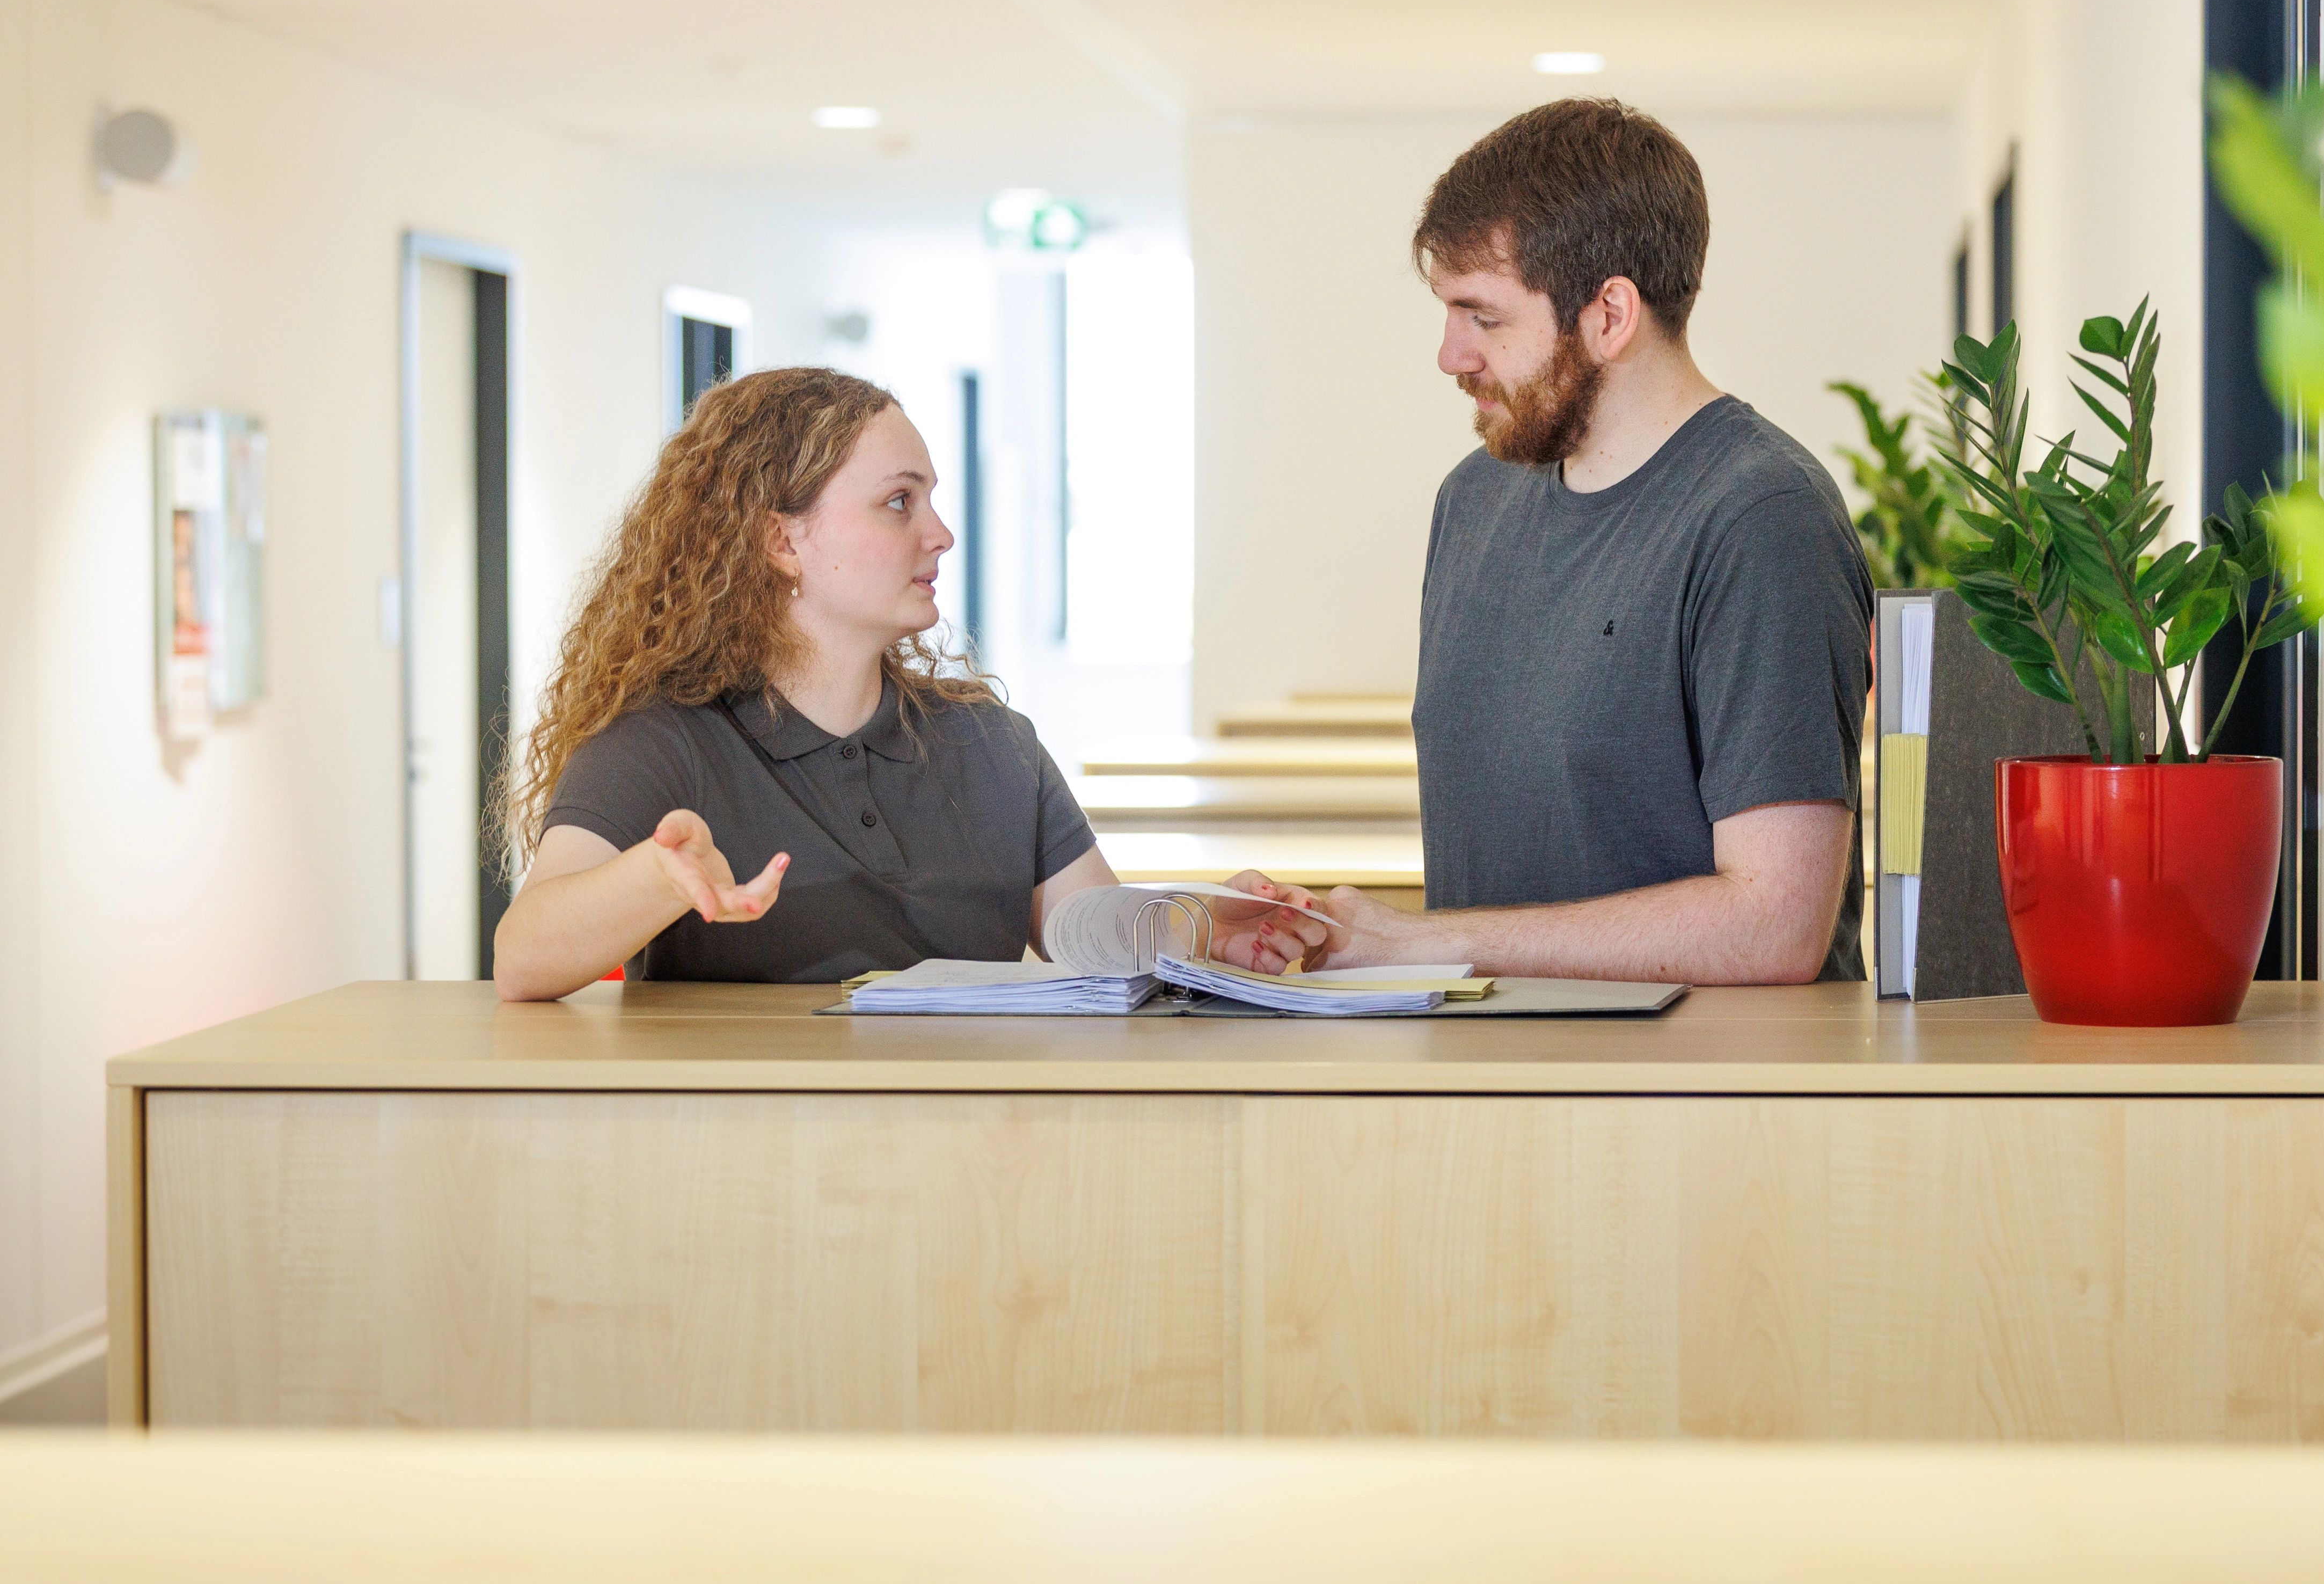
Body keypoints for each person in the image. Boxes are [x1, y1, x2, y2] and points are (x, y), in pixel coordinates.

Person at [491, 367, 1324, 1001]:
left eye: (930, 499)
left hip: (982, 1162)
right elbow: (523, 956)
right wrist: (657, 876)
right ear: (782, 542)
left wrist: (1197, 927)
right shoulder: (663, 746)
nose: (941, 533)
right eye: (898, 502)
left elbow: (1080, 928)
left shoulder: (992, 742)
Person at [1318, 98, 1872, 984]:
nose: (1450, 355)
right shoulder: (1471, 501)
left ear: (1609, 314)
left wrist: (1427, 943)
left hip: (1703, 1107)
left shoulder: (1762, 519)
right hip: (1498, 1086)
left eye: (1483, 317)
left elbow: (1777, 925)